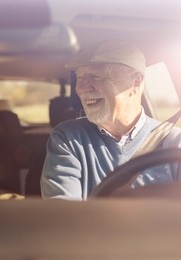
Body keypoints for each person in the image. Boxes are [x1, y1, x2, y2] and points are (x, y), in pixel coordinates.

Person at [40, 40, 181, 200]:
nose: (83, 88)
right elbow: (62, 216)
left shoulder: (175, 141)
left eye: (96, 76)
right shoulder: (69, 138)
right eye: (80, 78)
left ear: (136, 82)